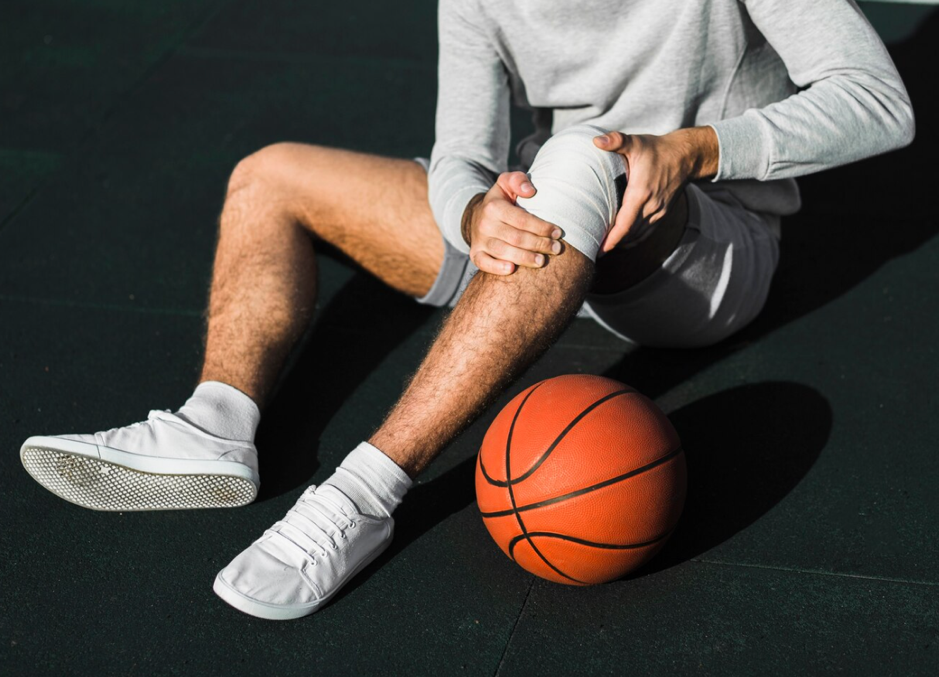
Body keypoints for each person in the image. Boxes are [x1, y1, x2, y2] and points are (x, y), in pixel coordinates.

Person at [20, 0, 913, 620]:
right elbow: (462, 153)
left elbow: (881, 104)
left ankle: (362, 494)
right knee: (271, 174)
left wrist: (698, 149)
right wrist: (473, 212)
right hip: (546, 240)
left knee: (579, 156)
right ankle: (213, 422)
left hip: (701, 257)